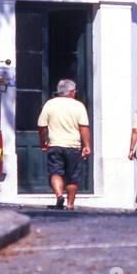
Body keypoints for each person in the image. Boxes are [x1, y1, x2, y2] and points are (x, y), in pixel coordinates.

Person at [37, 79, 91, 210]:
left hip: (55, 144)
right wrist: (87, 146)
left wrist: (43, 142)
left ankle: (59, 196)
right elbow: (83, 127)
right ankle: (70, 204)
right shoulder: (78, 106)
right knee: (72, 177)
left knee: (55, 172)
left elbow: (42, 127)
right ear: (72, 92)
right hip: (73, 146)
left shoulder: (49, 104)